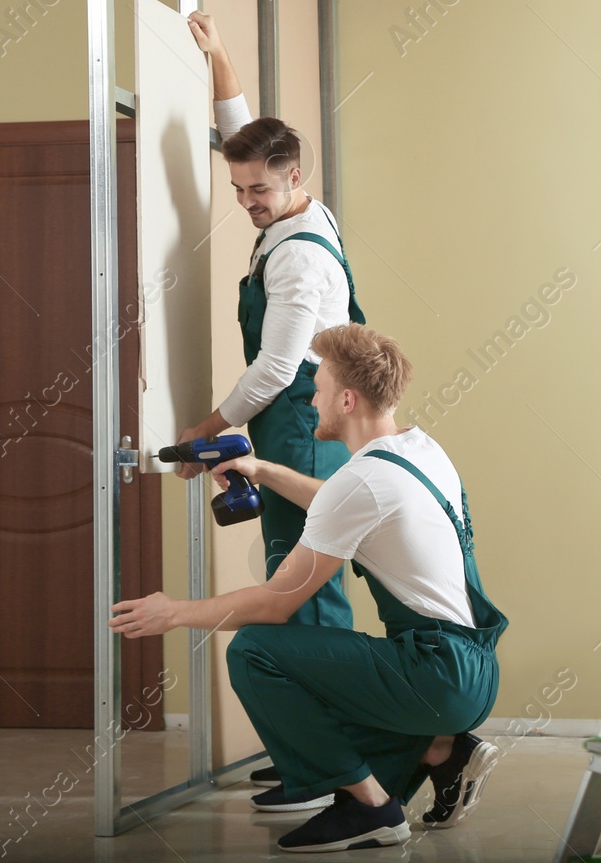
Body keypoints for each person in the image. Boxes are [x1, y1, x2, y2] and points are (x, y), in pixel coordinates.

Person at [110, 324, 507, 852]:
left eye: (317, 387)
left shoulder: (360, 481)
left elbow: (276, 604)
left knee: (256, 651)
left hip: (437, 675)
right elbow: (343, 501)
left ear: (347, 398)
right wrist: (264, 469)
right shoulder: (419, 450)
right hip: (474, 669)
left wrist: (174, 612)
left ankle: (372, 808)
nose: (311, 398)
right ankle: (439, 749)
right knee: (319, 666)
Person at [176, 13, 362, 626]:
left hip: (301, 422)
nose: (247, 202)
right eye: (238, 188)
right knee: (296, 572)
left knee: (303, 584)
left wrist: (202, 433)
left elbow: (276, 368)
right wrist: (219, 53)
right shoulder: (296, 207)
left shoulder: (300, 257)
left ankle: (330, 715)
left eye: (258, 191)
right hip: (297, 418)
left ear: (293, 178)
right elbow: (245, 135)